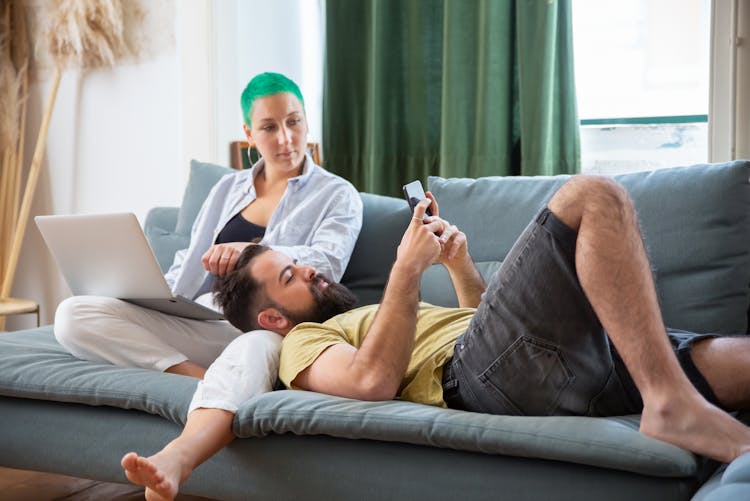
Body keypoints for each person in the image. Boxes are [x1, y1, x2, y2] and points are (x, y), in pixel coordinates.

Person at [215, 174, 750, 469]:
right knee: (594, 196)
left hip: (562, 361)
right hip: (483, 378)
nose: (308, 268)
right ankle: (670, 402)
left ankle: (666, 393)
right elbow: (369, 382)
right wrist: (406, 268)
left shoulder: (373, 314)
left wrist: (458, 264)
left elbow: (497, 330)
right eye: (290, 274)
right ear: (272, 317)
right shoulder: (304, 341)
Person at [52, 72, 363, 500]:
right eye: (270, 127)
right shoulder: (226, 189)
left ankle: (181, 454)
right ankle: (199, 378)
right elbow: (188, 264)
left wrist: (249, 252)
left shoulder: (337, 194)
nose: (287, 138)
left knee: (256, 347)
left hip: (270, 326)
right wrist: (152, 299)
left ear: (307, 121)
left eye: (294, 122)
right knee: (72, 314)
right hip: (204, 322)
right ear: (249, 134)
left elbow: (328, 262)